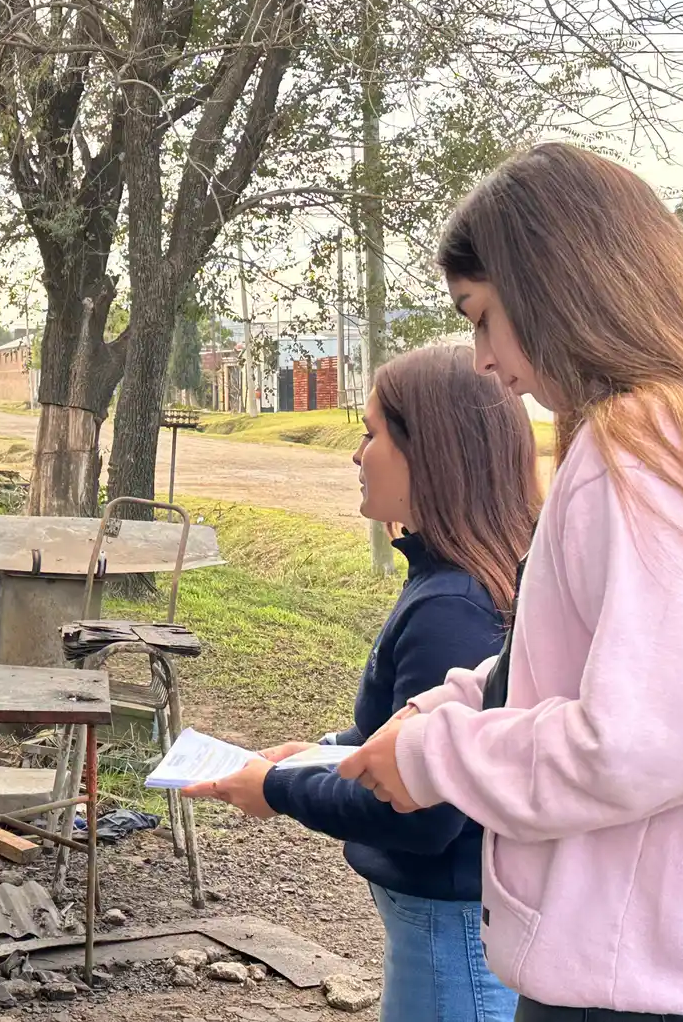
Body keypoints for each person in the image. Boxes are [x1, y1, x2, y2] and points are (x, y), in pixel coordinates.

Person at [338, 143, 683, 1020]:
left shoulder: (644, 442)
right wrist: (447, 703)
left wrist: (436, 757)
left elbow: (652, 739)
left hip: (635, 984)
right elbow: (582, 667)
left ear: (554, 286)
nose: (480, 360)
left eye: (481, 315)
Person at [185, 344, 537, 1022]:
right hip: (446, 936)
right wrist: (318, 751)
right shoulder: (451, 580)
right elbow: (401, 733)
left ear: (429, 451)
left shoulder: (451, 606)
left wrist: (276, 789)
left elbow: (427, 808)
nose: (356, 454)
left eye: (372, 433)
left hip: (452, 948)